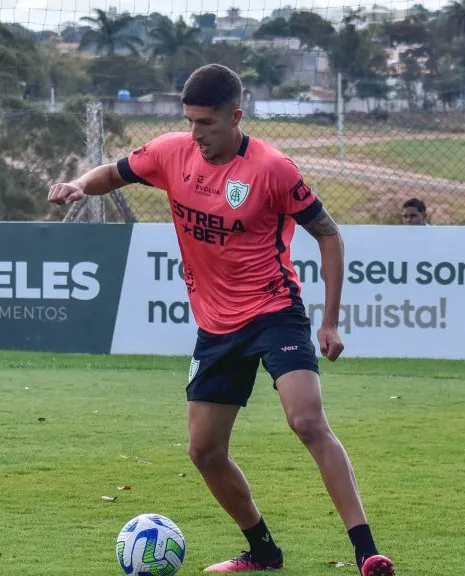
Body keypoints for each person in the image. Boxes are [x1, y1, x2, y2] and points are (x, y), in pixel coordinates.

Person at [48, 64, 395, 576]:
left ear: (236, 116)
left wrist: (330, 321)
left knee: (306, 421)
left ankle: (367, 552)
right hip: (215, 326)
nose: (197, 134)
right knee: (205, 451)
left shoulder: (273, 169)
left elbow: (328, 232)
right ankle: (262, 551)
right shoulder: (171, 152)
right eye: (190, 121)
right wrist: (79, 184)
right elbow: (114, 172)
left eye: (207, 123)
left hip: (274, 311)